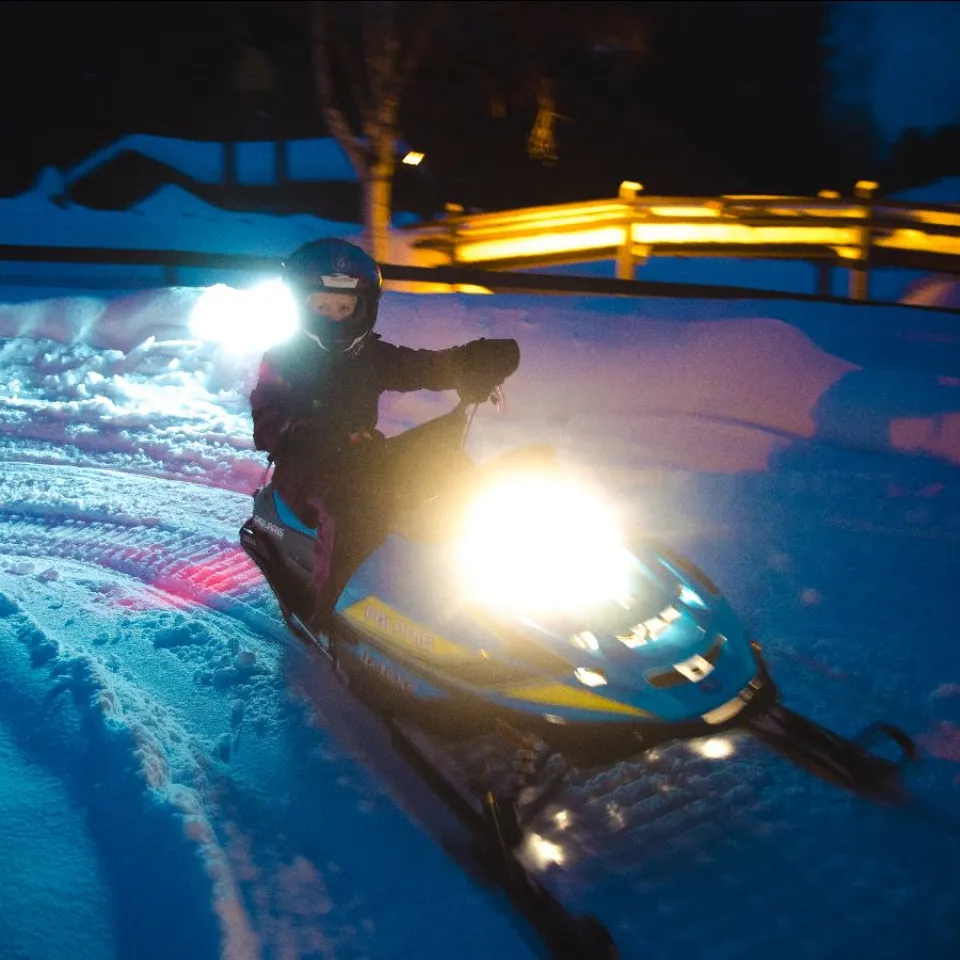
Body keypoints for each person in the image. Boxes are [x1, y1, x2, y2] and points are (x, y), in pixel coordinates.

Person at [250, 237, 520, 630]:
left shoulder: (370, 355)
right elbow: (266, 418)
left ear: (362, 310)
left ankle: (460, 581)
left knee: (449, 465)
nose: (336, 317)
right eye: (323, 308)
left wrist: (472, 361)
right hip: (305, 468)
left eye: (345, 308)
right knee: (353, 507)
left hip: (362, 455)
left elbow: (423, 367)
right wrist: (295, 429)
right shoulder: (283, 360)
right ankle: (330, 611)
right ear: (302, 309)